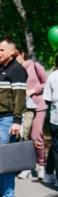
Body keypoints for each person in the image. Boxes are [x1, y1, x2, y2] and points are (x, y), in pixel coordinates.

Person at [0, 39, 27, 197]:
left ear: (12, 51)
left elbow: (20, 97)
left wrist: (16, 120)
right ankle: (3, 192)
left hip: (7, 119)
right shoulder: (0, 69)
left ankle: (9, 196)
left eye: (2, 50)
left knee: (7, 160)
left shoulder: (16, 70)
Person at [15, 48, 48, 180]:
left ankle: (41, 165)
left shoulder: (34, 65)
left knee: (36, 136)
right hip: (23, 108)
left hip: (38, 106)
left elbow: (46, 82)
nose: (15, 59)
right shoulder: (15, 69)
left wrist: (33, 90)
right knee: (24, 136)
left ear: (22, 54)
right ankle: (27, 167)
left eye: (16, 56)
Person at [42, 55, 58, 186]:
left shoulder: (52, 76)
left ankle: (52, 175)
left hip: (56, 118)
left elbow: (47, 99)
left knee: (56, 148)